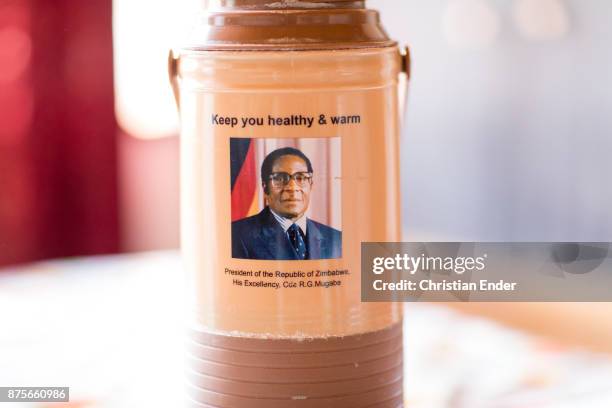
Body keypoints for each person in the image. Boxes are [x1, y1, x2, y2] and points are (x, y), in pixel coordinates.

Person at [232, 147, 342, 260]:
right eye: (280, 178)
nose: (292, 187)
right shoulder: (236, 235)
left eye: (300, 178)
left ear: (310, 185)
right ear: (265, 188)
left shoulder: (337, 239)